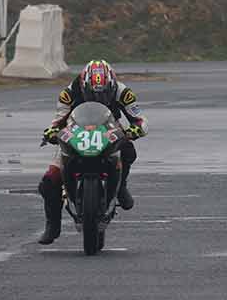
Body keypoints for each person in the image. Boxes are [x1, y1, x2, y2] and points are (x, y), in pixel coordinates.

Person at [37, 60, 146, 245]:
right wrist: (51, 131)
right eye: (93, 94)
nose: (98, 97)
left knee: (128, 150)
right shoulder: (69, 93)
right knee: (50, 180)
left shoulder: (123, 92)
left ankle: (121, 186)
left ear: (112, 85)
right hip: (77, 132)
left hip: (110, 130)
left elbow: (140, 119)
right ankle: (52, 225)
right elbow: (58, 121)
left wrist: (135, 130)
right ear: (83, 86)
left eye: (104, 93)